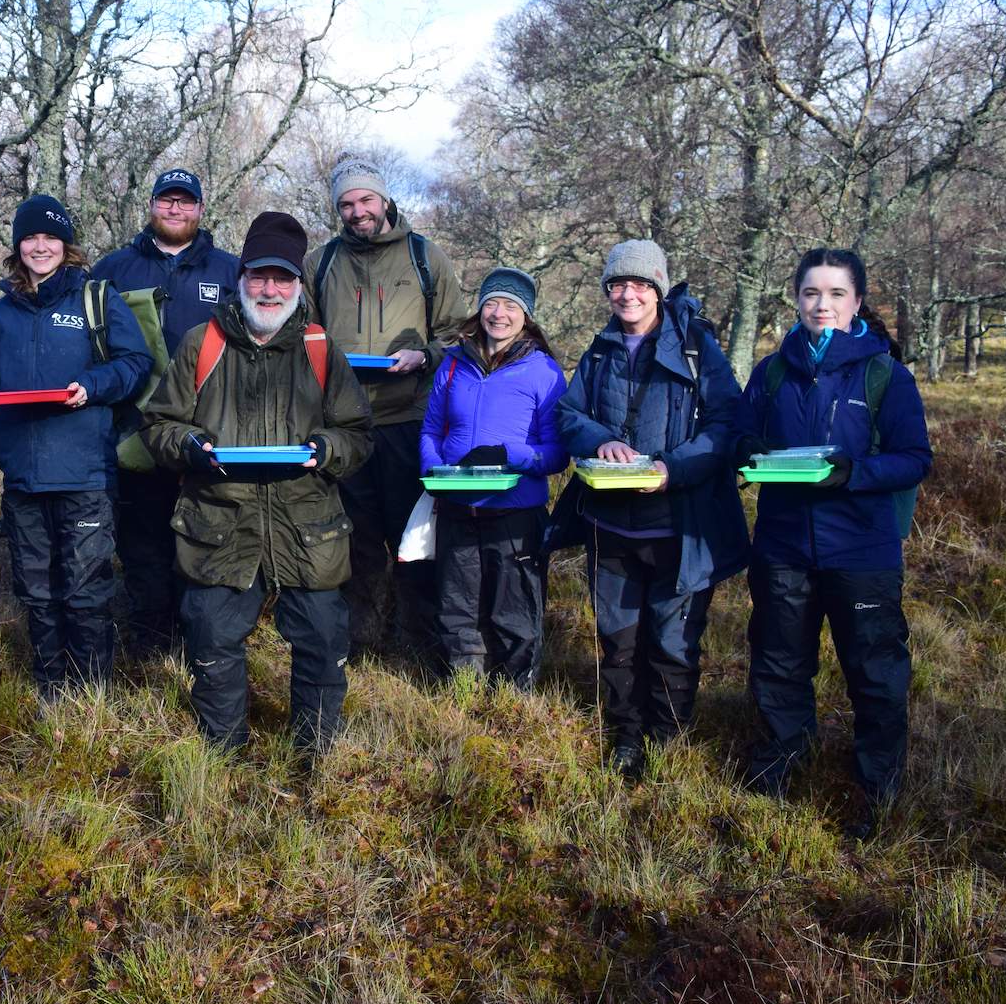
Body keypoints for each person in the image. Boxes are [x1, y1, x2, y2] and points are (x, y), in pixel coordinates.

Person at [142, 211, 373, 751]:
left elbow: (357, 434)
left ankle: (317, 755)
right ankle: (223, 755)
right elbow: (158, 424)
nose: (270, 290)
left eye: (282, 278)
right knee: (212, 641)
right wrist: (189, 446)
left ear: (298, 285)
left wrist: (326, 449)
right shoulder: (202, 343)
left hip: (308, 527)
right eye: (259, 276)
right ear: (241, 278)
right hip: (219, 523)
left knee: (322, 642)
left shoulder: (320, 348)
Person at [734, 248, 932, 832]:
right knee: (779, 662)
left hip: (862, 552)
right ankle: (778, 767)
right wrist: (746, 451)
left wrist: (853, 473)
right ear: (796, 299)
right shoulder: (771, 372)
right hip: (783, 547)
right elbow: (741, 435)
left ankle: (877, 789)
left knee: (875, 672)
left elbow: (914, 458)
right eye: (811, 293)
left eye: (836, 294)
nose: (823, 305)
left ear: (857, 302)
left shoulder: (886, 375)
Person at [550, 240, 749, 780]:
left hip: (679, 527)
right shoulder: (599, 351)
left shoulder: (697, 348)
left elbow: (726, 424)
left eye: (640, 284)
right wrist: (600, 441)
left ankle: (667, 740)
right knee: (618, 641)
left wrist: (671, 469)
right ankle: (626, 737)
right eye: (618, 284)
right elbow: (568, 415)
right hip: (610, 524)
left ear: (658, 289)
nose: (628, 294)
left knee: (672, 642)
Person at [0, 194, 151, 699]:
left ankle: (91, 698)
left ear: (66, 245)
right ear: (17, 247)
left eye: (50, 237)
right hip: (24, 483)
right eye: (30, 237)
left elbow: (136, 364)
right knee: (38, 595)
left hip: (85, 477)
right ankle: (51, 692)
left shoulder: (96, 299)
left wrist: (93, 385)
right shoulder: (0, 315)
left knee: (86, 593)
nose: (40, 246)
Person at [303, 153, 464, 661]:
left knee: (414, 539)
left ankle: (417, 645)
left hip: (408, 420)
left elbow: (456, 332)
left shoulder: (426, 257)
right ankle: (359, 644)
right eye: (346, 204)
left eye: (366, 199)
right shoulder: (319, 263)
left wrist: (424, 356)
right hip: (343, 424)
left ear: (385, 198)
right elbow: (302, 336)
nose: (358, 212)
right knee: (354, 539)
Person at [88, 168, 241, 659]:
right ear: (151, 206)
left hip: (209, 436)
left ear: (201, 209)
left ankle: (203, 645)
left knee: (203, 542)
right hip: (133, 435)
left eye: (185, 201)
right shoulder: (114, 269)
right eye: (166, 200)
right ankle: (151, 647)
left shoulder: (230, 271)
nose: (175, 209)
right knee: (142, 547)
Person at [418, 267, 568, 689]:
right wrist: (433, 470)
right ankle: (463, 691)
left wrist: (511, 456)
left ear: (526, 316)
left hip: (514, 515)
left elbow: (558, 453)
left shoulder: (545, 372)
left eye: (511, 306)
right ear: (480, 309)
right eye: (492, 303)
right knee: (457, 609)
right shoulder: (452, 364)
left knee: (514, 612)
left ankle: (513, 698)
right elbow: (431, 429)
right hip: (456, 507)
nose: (499, 314)